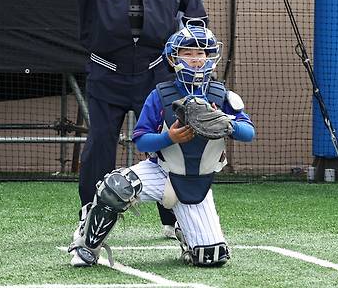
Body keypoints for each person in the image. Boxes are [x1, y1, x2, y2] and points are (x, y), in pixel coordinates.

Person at [0, 0, 207, 238]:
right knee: (99, 147)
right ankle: (90, 216)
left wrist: (194, 69)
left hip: (158, 72)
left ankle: (175, 218)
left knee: (171, 143)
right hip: (107, 71)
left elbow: (196, 22)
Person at [68, 23, 255, 267]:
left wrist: (227, 124)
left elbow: (249, 133)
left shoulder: (223, 97)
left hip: (196, 179)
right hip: (161, 171)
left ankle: (185, 232)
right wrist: (170, 138)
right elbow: (141, 137)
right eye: (188, 53)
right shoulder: (161, 94)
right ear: (173, 58)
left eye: (202, 53)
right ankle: (86, 248)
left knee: (211, 258)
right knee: (116, 187)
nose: (196, 60)